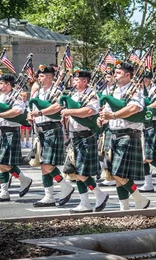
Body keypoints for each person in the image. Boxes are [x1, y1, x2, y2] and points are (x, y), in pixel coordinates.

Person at [98, 61, 150, 210]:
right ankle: (124, 208)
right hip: (114, 134)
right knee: (116, 176)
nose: (115, 74)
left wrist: (113, 115)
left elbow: (134, 108)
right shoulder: (114, 91)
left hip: (128, 134)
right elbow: (107, 111)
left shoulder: (135, 90)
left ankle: (140, 199)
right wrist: (102, 117)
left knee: (118, 173)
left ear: (128, 75)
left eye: (119, 72)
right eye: (115, 72)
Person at [60, 69, 109, 212]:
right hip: (74, 136)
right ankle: (85, 203)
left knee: (82, 173)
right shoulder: (73, 95)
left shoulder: (91, 95)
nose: (74, 82)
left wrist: (70, 112)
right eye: (73, 80)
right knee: (75, 172)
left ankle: (99, 194)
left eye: (77, 80)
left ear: (85, 81)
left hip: (86, 136)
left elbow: (89, 111)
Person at [28, 64, 74, 207]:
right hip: (40, 130)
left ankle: (65, 186)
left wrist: (41, 113)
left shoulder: (57, 91)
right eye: (39, 76)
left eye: (42, 76)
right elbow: (31, 108)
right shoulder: (37, 93)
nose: (39, 78)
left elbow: (57, 107)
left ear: (49, 77)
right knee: (43, 164)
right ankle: (49, 196)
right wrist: (30, 116)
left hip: (52, 129)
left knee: (47, 164)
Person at [0, 73, 33, 202]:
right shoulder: (1, 97)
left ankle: (23, 180)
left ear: (9, 85)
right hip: (0, 131)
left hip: (11, 131)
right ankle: (4, 192)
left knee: (4, 163)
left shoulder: (16, 97)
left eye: (2, 83)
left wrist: (0, 116)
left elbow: (18, 111)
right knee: (0, 163)